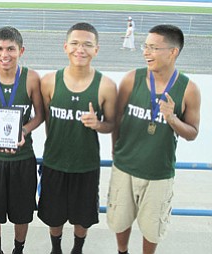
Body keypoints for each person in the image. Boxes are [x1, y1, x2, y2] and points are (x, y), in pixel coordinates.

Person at [107, 24, 201, 254]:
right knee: (120, 220)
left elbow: (192, 133)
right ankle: (122, 251)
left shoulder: (189, 89)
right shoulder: (131, 79)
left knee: (152, 228)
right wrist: (116, 152)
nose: (146, 52)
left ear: (172, 52)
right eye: (145, 46)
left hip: (159, 172)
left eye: (153, 48)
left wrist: (172, 119)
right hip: (125, 167)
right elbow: (117, 119)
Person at [38, 22, 117, 254]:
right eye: (74, 43)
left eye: (87, 45)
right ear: (65, 46)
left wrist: (98, 124)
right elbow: (47, 120)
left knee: (83, 216)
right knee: (54, 213)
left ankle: (77, 249)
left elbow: (112, 124)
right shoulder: (49, 81)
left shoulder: (106, 86)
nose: (80, 49)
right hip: (54, 162)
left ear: (96, 49)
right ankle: (56, 248)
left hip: (86, 164)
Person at [0, 26, 44, 254]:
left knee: (22, 211)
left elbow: (40, 115)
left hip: (22, 157)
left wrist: (24, 131)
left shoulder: (31, 78)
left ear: (21, 50)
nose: (5, 54)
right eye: (0, 49)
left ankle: (18, 250)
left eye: (11, 49)